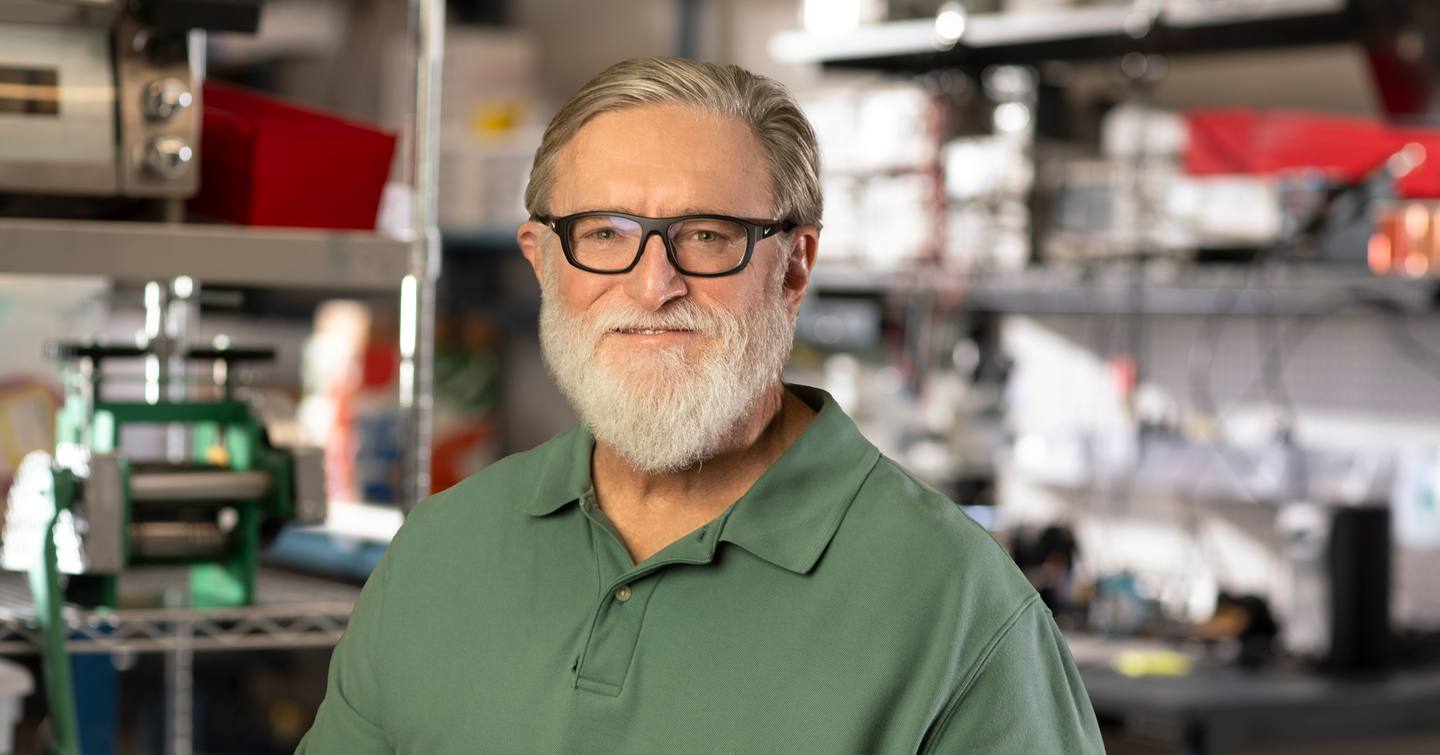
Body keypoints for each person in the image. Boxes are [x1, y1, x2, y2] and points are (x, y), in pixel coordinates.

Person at [297, 56, 1103, 753]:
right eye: (605, 234)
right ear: (543, 262)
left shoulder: (960, 609)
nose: (655, 286)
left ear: (794, 267)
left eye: (709, 235)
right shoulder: (440, 553)